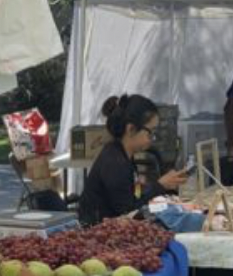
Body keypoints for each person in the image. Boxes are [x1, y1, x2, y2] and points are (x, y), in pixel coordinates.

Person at [77, 95, 186, 227]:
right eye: (150, 132)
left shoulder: (122, 154)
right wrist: (160, 186)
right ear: (131, 129)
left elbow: (132, 197)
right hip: (99, 234)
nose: (153, 138)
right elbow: (128, 212)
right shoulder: (115, 163)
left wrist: (157, 187)